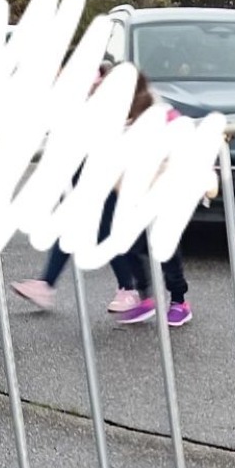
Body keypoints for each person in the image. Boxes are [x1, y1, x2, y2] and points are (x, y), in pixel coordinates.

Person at [13, 74, 193, 328]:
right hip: (126, 190)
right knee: (127, 244)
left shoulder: (158, 109)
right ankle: (143, 297)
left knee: (164, 247)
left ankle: (178, 301)